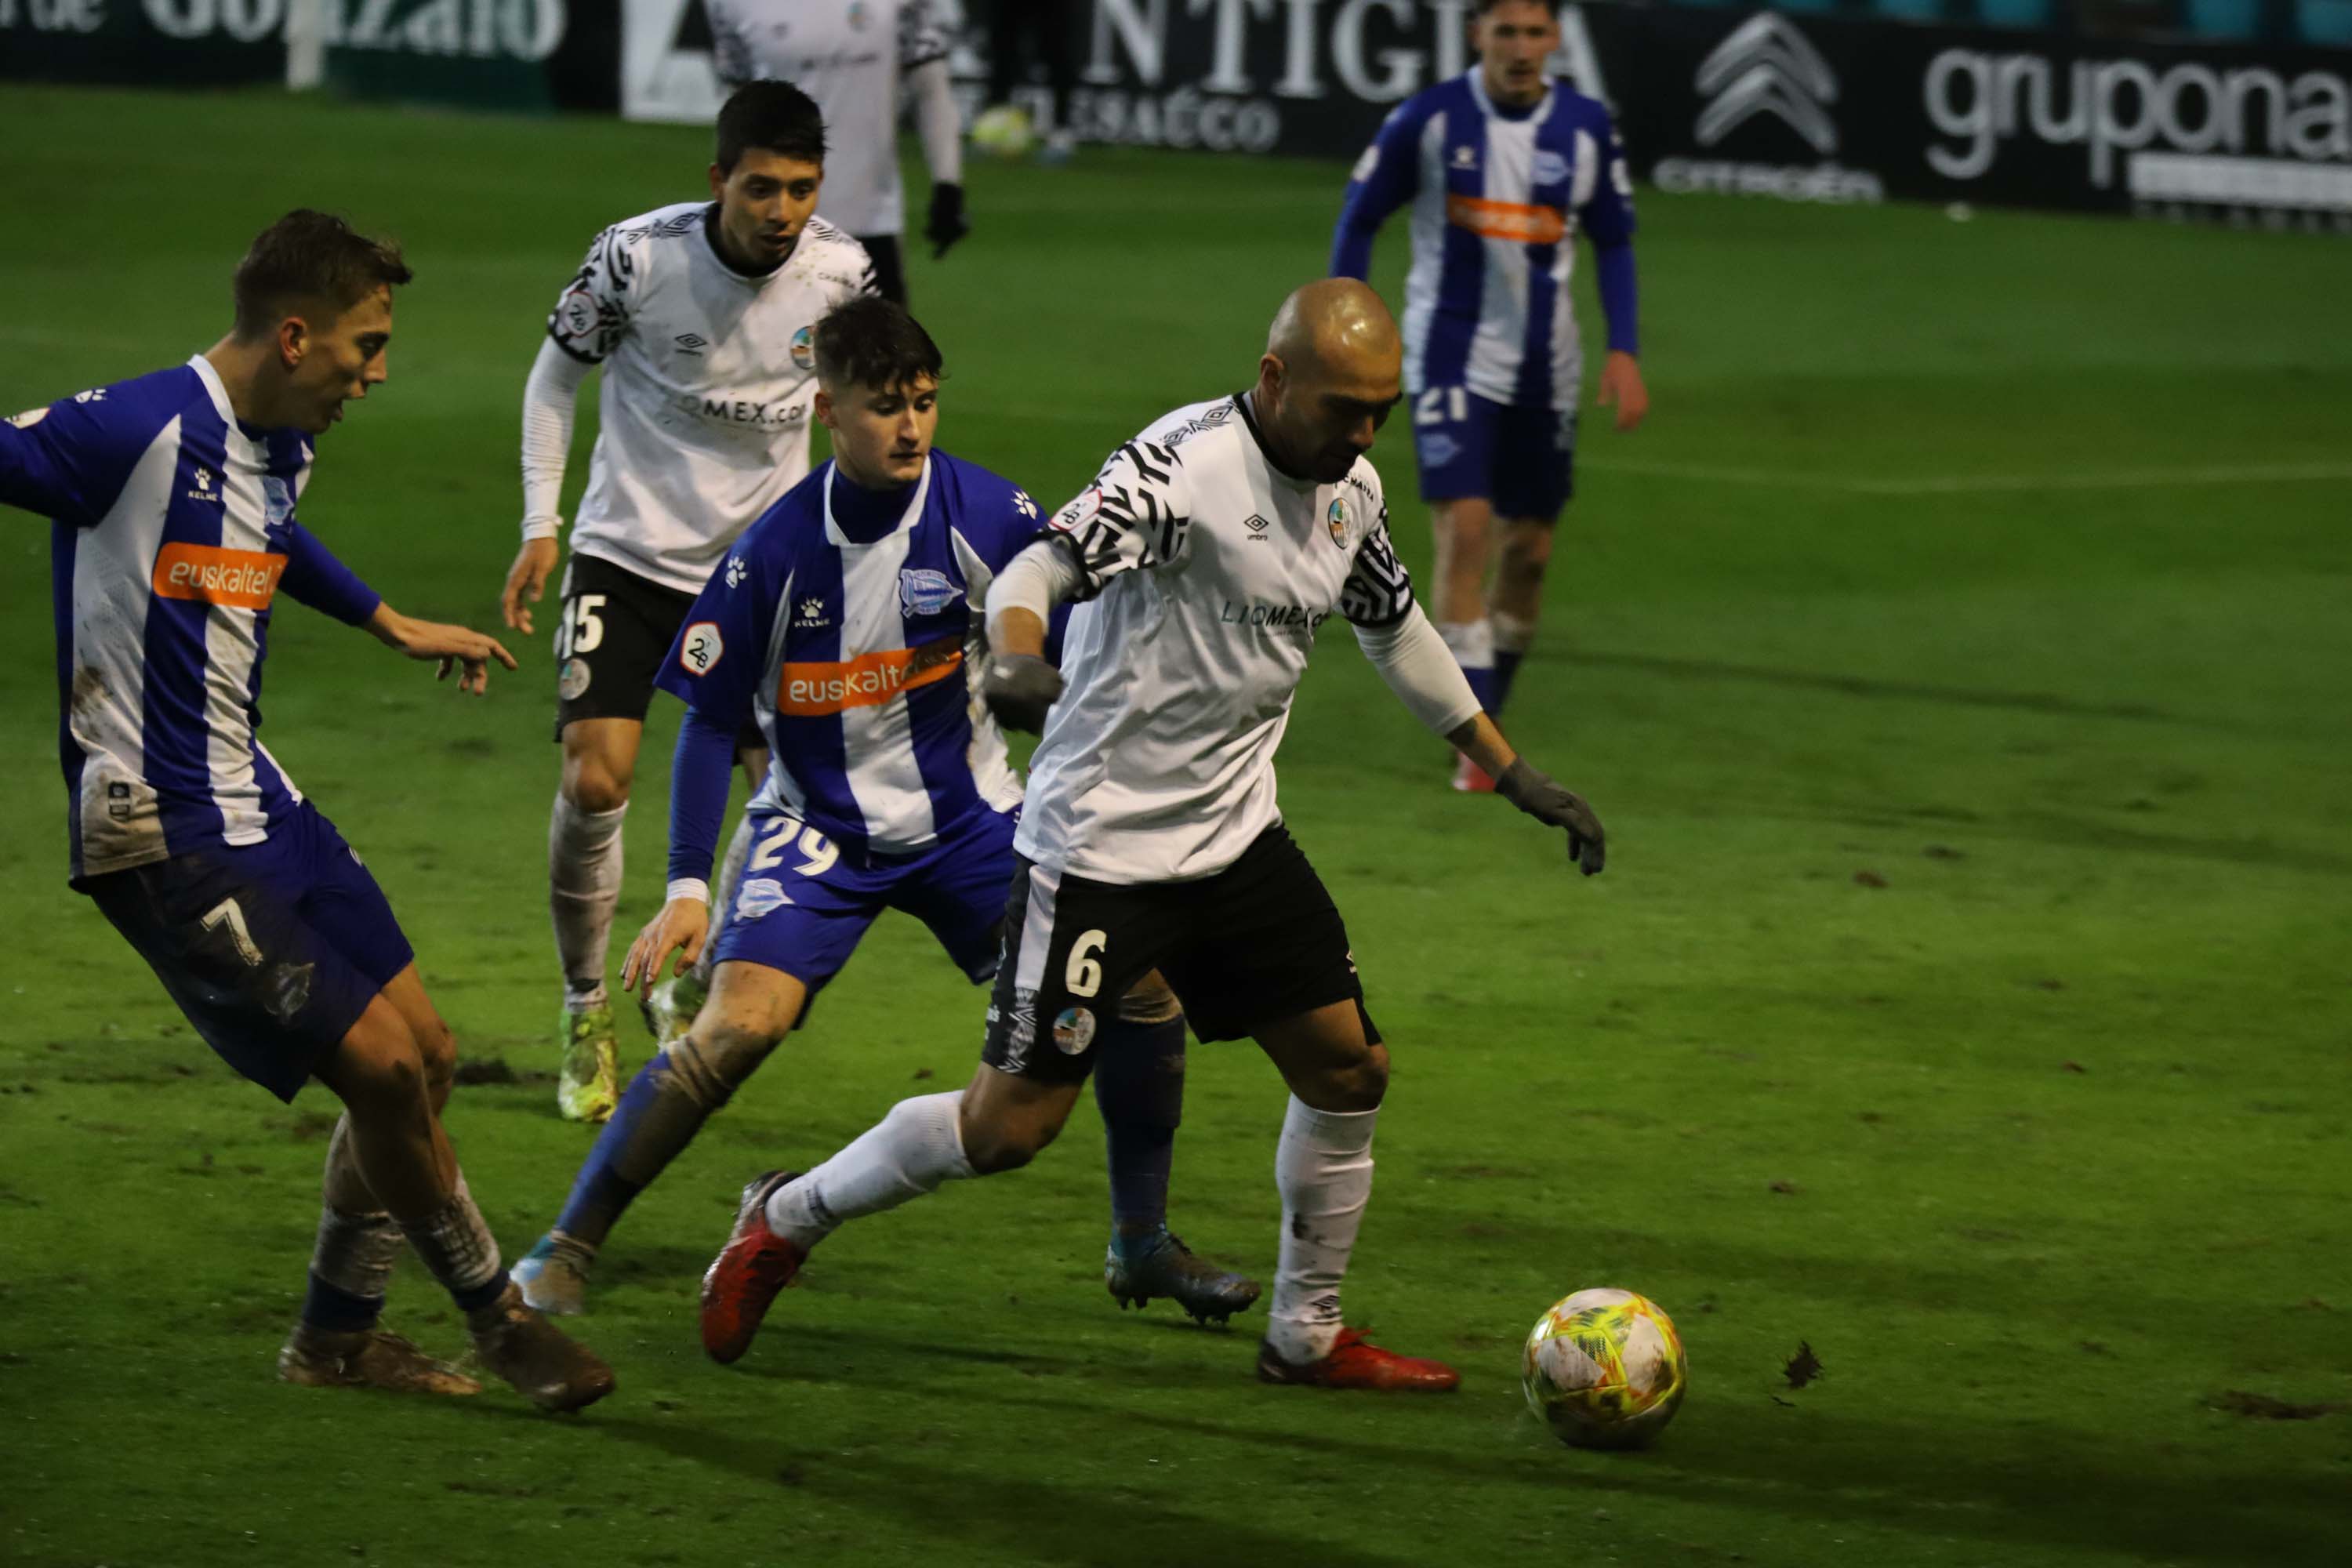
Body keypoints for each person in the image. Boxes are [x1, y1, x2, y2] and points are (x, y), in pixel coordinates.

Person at [696, 279, 1608, 1391]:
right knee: (1008, 1129)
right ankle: (785, 1218)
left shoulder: (1349, 488)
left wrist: (1510, 770)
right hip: (1100, 854)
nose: (1366, 434)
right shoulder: (1180, 472)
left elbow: (1393, 626)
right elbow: (1044, 563)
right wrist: (1019, 649)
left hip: (1236, 843)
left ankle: (1306, 1334)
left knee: (1348, 1066)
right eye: (1343, 408)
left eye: (1385, 410)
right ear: (1276, 379)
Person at [512, 296, 1257, 1327]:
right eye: (883, 407)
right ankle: (565, 1245)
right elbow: (703, 723)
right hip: (816, 833)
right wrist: (687, 885)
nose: (908, 427)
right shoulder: (771, 553)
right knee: (737, 1029)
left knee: (1139, 992)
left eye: (924, 402)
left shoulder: (986, 515)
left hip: (972, 831)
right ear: (827, 411)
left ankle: (1139, 1244)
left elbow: (1084, 643)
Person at [0, 210, 612, 1411]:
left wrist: (386, 619)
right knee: (381, 1073)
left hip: (257, 795)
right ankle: (499, 1318)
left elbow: (268, 538)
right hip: (157, 830)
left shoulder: (280, 442)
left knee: (428, 1061)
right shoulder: (128, 431)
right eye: (364, 346)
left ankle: (335, 1341)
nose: (375, 374)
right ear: (294, 336)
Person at [498, 81, 875, 1123]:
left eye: (801, 190)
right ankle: (584, 1006)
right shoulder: (635, 258)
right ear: (719, 180)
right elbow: (551, 382)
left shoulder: (844, 276)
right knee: (596, 779)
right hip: (626, 556)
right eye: (762, 188)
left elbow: (875, 405)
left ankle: (687, 965)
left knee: (790, 793)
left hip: (761, 574)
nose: (782, 212)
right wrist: (542, 524)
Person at [1330, 0, 1647, 791]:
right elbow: (1361, 216)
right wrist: (1349, 322)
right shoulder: (1430, 120)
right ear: (1478, 36)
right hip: (1449, 359)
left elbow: (1612, 239)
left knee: (1530, 554)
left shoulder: (1585, 127)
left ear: (1555, 41)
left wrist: (1626, 350)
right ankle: (1477, 741)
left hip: (1549, 370)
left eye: (1535, 32)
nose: (1521, 48)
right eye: (1505, 31)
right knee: (1466, 532)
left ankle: (1488, 712)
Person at [707, 0, 967, 303]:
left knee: (884, 349)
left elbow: (931, 91)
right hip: (774, 229)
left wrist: (947, 184)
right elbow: (739, 114)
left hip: (871, 226)